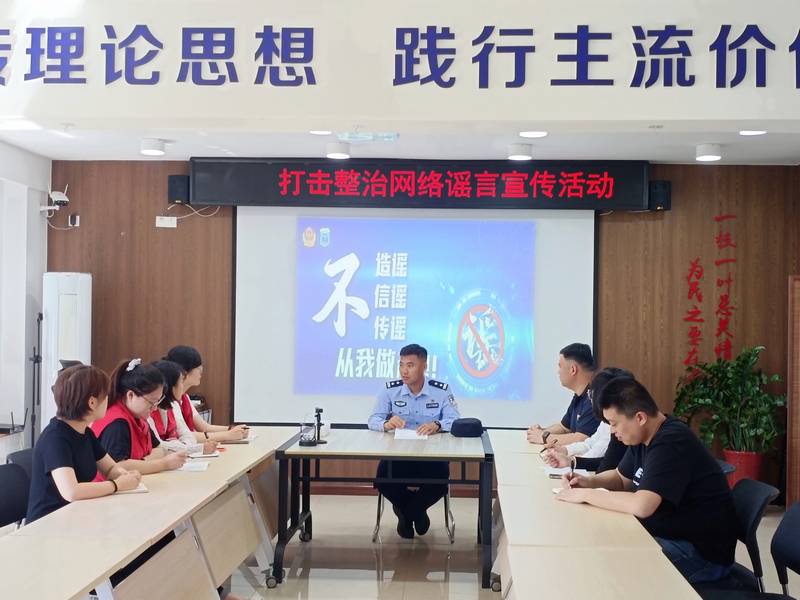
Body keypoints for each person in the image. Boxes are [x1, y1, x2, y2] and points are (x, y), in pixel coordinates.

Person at [556, 377, 737, 584]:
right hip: (670, 535)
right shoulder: (642, 437)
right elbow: (620, 478)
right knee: (601, 547)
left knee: (609, 568)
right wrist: (588, 482)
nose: (613, 431)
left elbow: (642, 505)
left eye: (614, 424)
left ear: (640, 417)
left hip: (700, 554)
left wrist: (586, 494)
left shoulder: (671, 441)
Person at [26, 365, 142, 523]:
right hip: (48, 523)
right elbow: (71, 492)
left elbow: (109, 468)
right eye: (106, 396)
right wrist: (116, 485)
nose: (108, 400)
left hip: (76, 514)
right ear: (92, 403)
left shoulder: (85, 432)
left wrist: (124, 475)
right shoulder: (55, 438)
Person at [367, 344, 460, 539]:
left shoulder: (441, 390)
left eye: (410, 365)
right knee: (383, 479)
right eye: (401, 365)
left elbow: (455, 420)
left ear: (424, 366)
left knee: (440, 483)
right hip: (398, 454)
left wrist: (437, 424)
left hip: (432, 455)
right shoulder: (390, 390)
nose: (404, 371)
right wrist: (386, 424)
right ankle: (417, 513)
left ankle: (407, 513)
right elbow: (373, 420)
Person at [91, 358, 188, 475]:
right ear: (131, 395)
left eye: (157, 402)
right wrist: (164, 464)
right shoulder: (116, 424)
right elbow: (118, 467)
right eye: (151, 402)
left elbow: (158, 450)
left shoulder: (138, 416)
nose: (155, 408)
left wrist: (142, 464)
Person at [542, 367, 631, 473]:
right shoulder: (606, 422)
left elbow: (602, 462)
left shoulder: (616, 427)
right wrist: (565, 451)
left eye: (592, 393)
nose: (590, 398)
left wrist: (570, 461)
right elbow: (590, 443)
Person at [165, 345, 249, 443]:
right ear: (184, 372)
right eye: (198, 367)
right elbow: (186, 435)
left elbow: (204, 427)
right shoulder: (168, 401)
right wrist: (228, 435)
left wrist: (232, 429)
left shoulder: (185, 397)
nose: (201, 370)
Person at [527, 343, 600, 445]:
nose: (558, 372)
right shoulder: (579, 395)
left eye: (560, 367)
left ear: (573, 369)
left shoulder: (595, 395)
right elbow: (564, 427)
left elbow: (582, 438)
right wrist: (541, 432)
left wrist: (543, 437)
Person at [148, 360, 217, 455]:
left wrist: (181, 446)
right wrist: (194, 449)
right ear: (170, 386)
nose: (182, 386)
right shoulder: (148, 410)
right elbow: (159, 445)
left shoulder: (173, 405)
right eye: (181, 382)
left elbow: (188, 435)